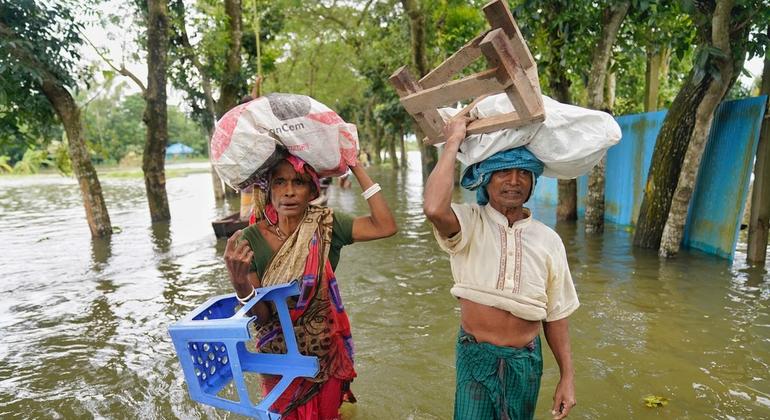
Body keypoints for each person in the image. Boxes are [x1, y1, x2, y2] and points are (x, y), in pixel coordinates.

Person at [423, 119, 579, 420]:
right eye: (504, 172)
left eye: (524, 173)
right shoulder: (469, 222)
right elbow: (433, 209)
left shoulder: (549, 240)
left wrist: (567, 377)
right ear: (486, 179)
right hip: (476, 356)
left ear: (533, 182)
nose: (514, 181)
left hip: (526, 361)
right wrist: (453, 140)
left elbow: (557, 314)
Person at [223, 155, 397, 419]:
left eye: (299, 182)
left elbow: (385, 226)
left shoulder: (326, 225)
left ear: (313, 191)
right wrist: (240, 284)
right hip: (278, 362)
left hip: (324, 356)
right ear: (269, 189)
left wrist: (356, 166)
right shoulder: (250, 239)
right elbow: (263, 316)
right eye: (280, 182)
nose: (289, 191)